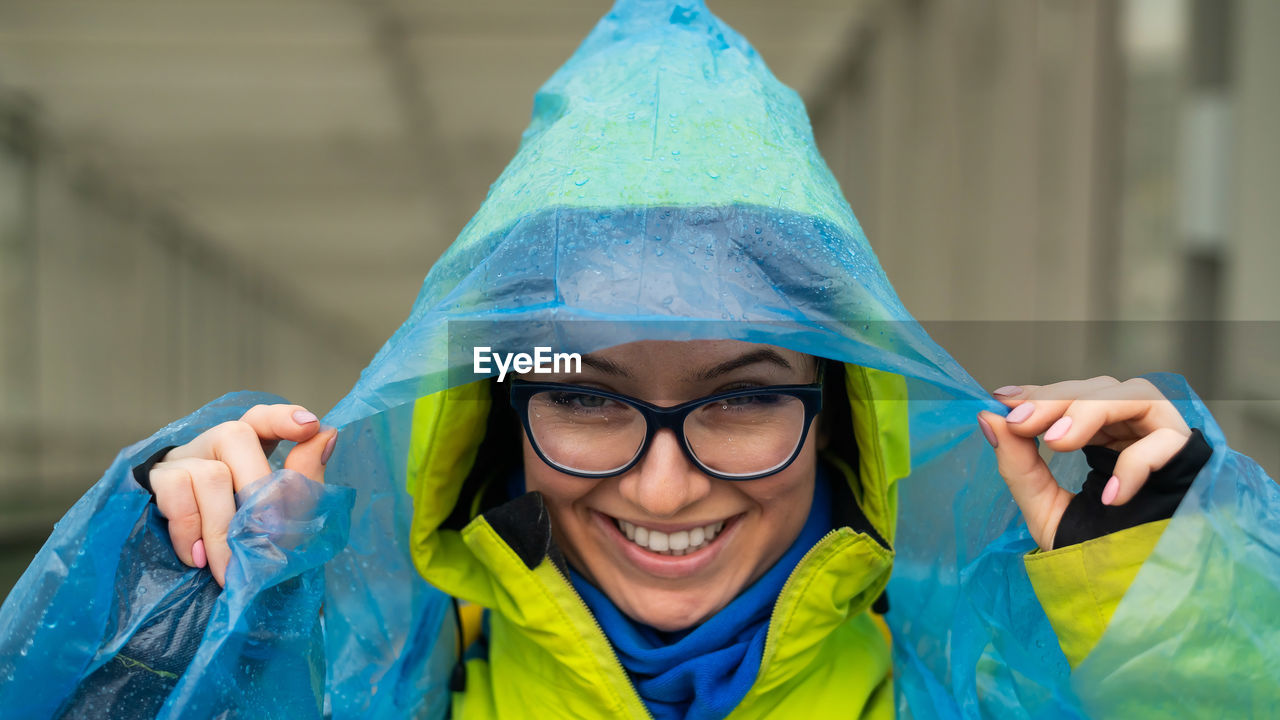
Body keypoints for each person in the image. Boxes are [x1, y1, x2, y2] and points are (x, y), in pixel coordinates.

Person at [1, 2, 1276, 718]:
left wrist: (1169, 594)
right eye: (585, 399)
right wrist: (165, 604)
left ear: (839, 415)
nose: (662, 490)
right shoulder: (370, 683)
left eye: (739, 401)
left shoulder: (999, 686)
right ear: (494, 421)